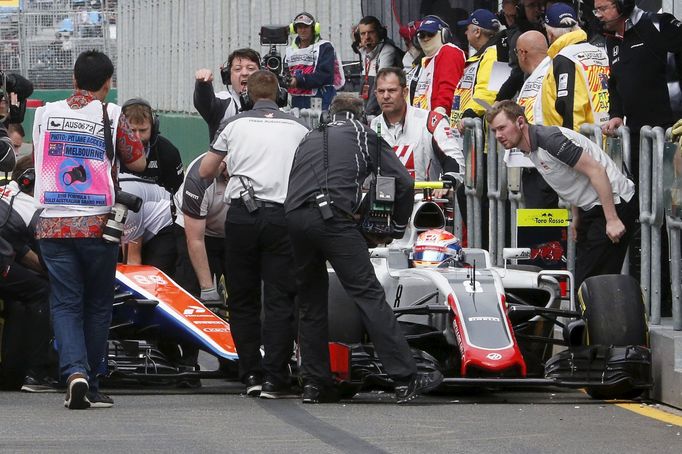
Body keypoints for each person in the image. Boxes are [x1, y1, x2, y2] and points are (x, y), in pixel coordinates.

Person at [284, 94, 444, 404]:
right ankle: (405, 378)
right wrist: (396, 226)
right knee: (368, 295)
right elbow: (403, 182)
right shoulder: (362, 133)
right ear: (361, 116)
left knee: (310, 302)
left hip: (294, 217)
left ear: (331, 114)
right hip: (331, 217)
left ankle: (314, 384)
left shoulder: (309, 137)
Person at [33, 50, 146, 409]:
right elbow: (138, 161)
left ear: (74, 80)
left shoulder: (44, 113)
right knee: (98, 306)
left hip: (52, 222)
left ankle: (73, 373)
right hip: (99, 224)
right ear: (108, 84)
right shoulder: (111, 114)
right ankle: (92, 384)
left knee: (65, 304)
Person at [199, 70, 308, 398]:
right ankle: (276, 376)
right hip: (282, 218)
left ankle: (250, 374)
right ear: (281, 96)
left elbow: (205, 170)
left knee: (243, 299)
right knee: (278, 299)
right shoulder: (299, 128)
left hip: (242, 217)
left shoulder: (234, 124)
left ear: (246, 98)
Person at [487, 100, 636, 288]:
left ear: (520, 122)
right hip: (591, 207)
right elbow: (572, 177)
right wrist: (576, 217)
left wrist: (612, 219)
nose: (498, 135)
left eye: (502, 128)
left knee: (590, 283)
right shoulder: (531, 147)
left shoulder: (550, 141)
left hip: (615, 202)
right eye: (494, 131)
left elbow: (596, 171)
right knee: (587, 283)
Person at [597, 0, 682, 175]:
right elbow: (614, 82)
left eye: (603, 8)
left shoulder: (660, 24)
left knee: (669, 199)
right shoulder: (611, 41)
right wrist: (616, 114)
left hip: (670, 133)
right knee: (638, 197)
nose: (598, 15)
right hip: (637, 136)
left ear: (623, 4)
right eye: (596, 10)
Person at [0, 156, 55, 393]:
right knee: (42, 290)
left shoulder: (6, 195)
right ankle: (37, 373)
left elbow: (19, 250)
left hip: (5, 262)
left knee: (20, 297)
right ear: (31, 179)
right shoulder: (32, 208)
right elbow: (49, 259)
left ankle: (11, 373)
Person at [371, 67, 464, 183]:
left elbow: (455, 158)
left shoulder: (430, 121)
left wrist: (448, 181)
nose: (385, 96)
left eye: (392, 90)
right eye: (381, 91)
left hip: (422, 198)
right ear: (375, 94)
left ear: (405, 92)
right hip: (385, 199)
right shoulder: (371, 127)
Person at [541, 2, 610, 131]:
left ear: (550, 34)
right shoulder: (599, 52)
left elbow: (572, 110)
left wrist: (572, 147)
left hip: (577, 144)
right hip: (604, 137)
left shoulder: (565, 59)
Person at [513, 30, 559, 210]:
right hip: (537, 161)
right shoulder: (538, 75)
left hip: (544, 161)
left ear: (523, 53)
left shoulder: (548, 73)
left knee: (543, 230)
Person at [173, 152, 228, 302]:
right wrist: (208, 289)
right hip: (195, 229)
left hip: (231, 232)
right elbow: (195, 240)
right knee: (191, 288)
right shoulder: (199, 176)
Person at [450, 9, 510, 128]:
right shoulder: (484, 54)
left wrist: (470, 113)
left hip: (480, 133)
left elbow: (490, 91)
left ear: (477, 32)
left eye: (467, 29)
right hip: (468, 133)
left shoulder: (495, 53)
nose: (465, 33)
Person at [120, 98, 184, 196]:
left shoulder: (168, 152)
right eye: (132, 130)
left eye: (142, 130)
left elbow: (177, 193)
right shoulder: (111, 150)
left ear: (154, 127)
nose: (137, 137)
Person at [194, 48, 261, 141]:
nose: (245, 73)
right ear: (228, 76)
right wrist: (203, 84)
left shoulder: (273, 105)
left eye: (250, 68)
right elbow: (204, 102)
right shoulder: (223, 102)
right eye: (238, 69)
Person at [119, 174, 176, 276]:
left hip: (163, 222)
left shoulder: (126, 202)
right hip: (138, 224)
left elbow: (132, 261)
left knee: (152, 278)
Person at [285, 12, 343, 111]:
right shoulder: (289, 51)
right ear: (295, 29)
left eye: (306, 27)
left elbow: (325, 75)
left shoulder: (325, 47)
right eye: (299, 27)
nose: (302, 30)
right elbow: (285, 74)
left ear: (314, 28)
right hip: (295, 101)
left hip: (321, 100)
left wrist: (298, 80)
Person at [410, 16, 466, 115]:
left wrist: (441, 110)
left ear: (444, 34)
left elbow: (448, 87)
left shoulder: (449, 51)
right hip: (425, 122)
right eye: (422, 35)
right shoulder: (426, 60)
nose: (426, 38)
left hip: (440, 121)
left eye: (431, 34)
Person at [353, 15, 401, 116]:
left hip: (383, 110)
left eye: (371, 32)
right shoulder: (363, 53)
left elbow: (380, 83)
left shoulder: (387, 51)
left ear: (379, 33)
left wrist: (368, 112)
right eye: (363, 34)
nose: (367, 37)